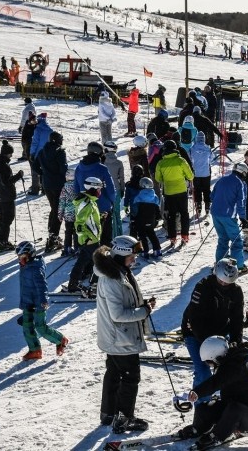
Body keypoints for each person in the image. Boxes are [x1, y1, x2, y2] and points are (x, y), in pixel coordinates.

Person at [95, 236, 154, 433]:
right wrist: (144, 311)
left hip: (117, 338)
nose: (135, 259)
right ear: (121, 254)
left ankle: (109, 414)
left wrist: (143, 306)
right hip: (120, 339)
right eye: (132, 256)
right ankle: (124, 418)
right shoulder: (112, 280)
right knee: (130, 377)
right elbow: (118, 315)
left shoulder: (119, 272)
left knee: (113, 373)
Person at [176, 337, 248, 450]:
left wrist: (197, 392)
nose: (209, 365)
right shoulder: (228, 363)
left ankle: (217, 436)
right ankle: (197, 428)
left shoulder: (236, 366)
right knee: (205, 407)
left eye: (209, 362)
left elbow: (217, 381)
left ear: (217, 357)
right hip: (231, 409)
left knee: (234, 409)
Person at [180, 259, 244, 404]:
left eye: (227, 283)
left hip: (220, 331)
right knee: (203, 370)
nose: (224, 285)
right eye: (221, 281)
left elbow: (237, 319)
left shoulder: (236, 292)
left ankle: (226, 400)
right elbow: (194, 319)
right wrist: (208, 345)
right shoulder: (203, 286)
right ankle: (201, 407)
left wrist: (235, 342)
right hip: (195, 332)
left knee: (227, 369)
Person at [16, 241, 69, 360]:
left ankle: (60, 339)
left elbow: (42, 286)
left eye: (23, 257)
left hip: (38, 303)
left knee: (41, 328)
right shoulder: (26, 266)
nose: (21, 261)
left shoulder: (35, 269)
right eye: (19, 258)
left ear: (31, 255)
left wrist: (43, 302)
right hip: (27, 302)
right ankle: (35, 351)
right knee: (27, 327)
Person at [74, 142, 117, 246]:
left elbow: (76, 189)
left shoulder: (78, 168)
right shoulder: (102, 168)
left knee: (90, 236)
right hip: (103, 208)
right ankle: (103, 258)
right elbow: (111, 189)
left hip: (85, 207)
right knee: (105, 237)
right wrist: (112, 201)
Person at [66, 176, 104, 292]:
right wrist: (85, 237)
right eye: (99, 190)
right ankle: (94, 285)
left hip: (91, 237)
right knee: (100, 262)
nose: (100, 192)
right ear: (93, 189)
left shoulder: (89, 201)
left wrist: (101, 217)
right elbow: (79, 223)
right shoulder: (87, 203)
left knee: (82, 261)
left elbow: (89, 218)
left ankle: (73, 284)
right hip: (90, 239)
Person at [155, 140, 194, 246]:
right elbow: (190, 176)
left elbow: (158, 178)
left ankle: (172, 237)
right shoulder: (181, 161)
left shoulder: (161, 163)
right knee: (184, 213)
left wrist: (165, 179)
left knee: (171, 215)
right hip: (181, 190)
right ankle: (185, 235)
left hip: (169, 192)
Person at [211, 162, 248, 272]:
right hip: (228, 215)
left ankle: (219, 264)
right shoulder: (240, 183)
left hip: (215, 213)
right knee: (236, 241)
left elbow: (212, 196)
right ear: (243, 172)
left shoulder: (222, 180)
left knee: (223, 239)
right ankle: (239, 266)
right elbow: (241, 202)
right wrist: (243, 217)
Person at [0, 141, 24, 252]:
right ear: (6, 153)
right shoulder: (3, 165)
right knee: (8, 217)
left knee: (2, 217)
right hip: (6, 195)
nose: (11, 156)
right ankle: (2, 241)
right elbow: (7, 181)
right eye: (10, 153)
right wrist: (19, 176)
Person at [39, 132, 68, 251]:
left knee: (54, 208)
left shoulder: (42, 151)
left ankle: (51, 235)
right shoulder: (60, 152)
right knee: (58, 211)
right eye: (61, 138)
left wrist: (45, 173)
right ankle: (53, 239)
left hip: (47, 184)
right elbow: (63, 169)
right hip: (58, 184)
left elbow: (35, 165)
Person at [131, 177, 161, 258]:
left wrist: (133, 219)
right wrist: (158, 218)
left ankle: (145, 251)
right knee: (151, 233)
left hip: (140, 220)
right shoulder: (155, 197)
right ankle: (157, 250)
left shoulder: (138, 197)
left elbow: (134, 210)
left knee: (142, 235)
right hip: (151, 220)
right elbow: (157, 208)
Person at [103, 140, 125, 239]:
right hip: (116, 189)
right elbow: (122, 178)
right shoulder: (119, 163)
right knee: (117, 213)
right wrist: (122, 189)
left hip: (104, 191)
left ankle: (107, 235)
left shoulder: (101, 162)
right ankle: (119, 235)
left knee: (106, 214)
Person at [191, 132, 213, 217]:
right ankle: (207, 205)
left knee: (197, 189)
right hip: (206, 173)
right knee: (206, 189)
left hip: (196, 173)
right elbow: (211, 159)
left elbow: (190, 158)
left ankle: (198, 205)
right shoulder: (208, 148)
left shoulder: (193, 148)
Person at [58, 166, 78, 256]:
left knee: (68, 231)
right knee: (77, 231)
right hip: (78, 212)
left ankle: (67, 248)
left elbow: (62, 202)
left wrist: (60, 214)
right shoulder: (78, 186)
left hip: (68, 214)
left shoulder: (64, 188)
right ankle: (78, 248)